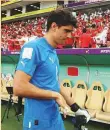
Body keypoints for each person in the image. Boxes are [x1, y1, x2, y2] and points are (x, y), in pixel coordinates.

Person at [14, 9, 90, 130]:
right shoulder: (33, 47)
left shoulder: (53, 52)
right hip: (37, 122)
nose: (70, 36)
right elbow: (19, 87)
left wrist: (76, 108)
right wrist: (55, 96)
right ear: (54, 26)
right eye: (66, 31)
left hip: (54, 118)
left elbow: (55, 82)